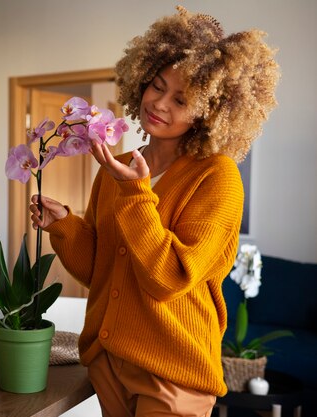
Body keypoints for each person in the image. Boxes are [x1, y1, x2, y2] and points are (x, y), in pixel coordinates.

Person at [29, 6, 279, 417]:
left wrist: (134, 192)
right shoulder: (119, 164)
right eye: (156, 86)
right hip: (108, 359)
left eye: (180, 99)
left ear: (209, 111)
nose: (158, 104)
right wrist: (66, 228)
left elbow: (169, 278)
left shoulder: (217, 177)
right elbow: (103, 269)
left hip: (173, 371)